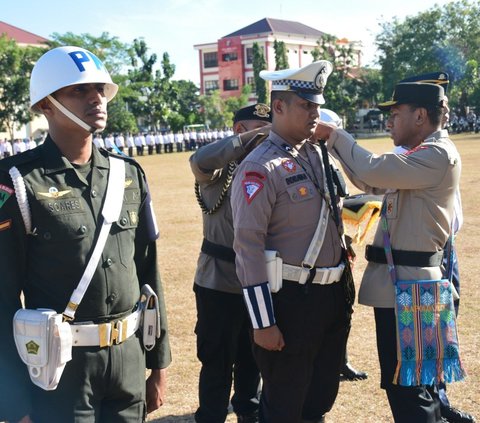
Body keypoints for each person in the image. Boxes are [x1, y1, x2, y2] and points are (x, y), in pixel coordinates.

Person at [0, 46, 171, 423]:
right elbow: (2, 297)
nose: (96, 98)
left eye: (99, 88)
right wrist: (13, 404)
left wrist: (158, 362)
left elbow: (149, 274)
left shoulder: (128, 174)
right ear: (46, 105)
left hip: (128, 361)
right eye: (78, 90)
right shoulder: (16, 182)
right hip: (58, 373)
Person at [315, 82, 462, 423]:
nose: (389, 122)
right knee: (411, 385)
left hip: (411, 289)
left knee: (408, 389)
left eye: (396, 114)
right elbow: (370, 182)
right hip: (409, 287)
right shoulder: (421, 155)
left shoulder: (436, 154)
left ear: (421, 116)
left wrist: (335, 135)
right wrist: (333, 143)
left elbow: (371, 171)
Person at [231, 61, 352, 423]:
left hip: (330, 297)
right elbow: (247, 247)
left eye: (317, 105)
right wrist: (262, 322)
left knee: (320, 399)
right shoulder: (259, 168)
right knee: (284, 407)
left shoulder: (318, 154)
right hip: (290, 303)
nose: (315, 113)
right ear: (279, 107)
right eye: (306, 105)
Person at [396, 72, 475, 423]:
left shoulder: (440, 146)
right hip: (426, 251)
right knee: (425, 334)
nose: (444, 104)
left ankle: (438, 399)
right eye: (438, 98)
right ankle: (435, 403)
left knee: (441, 327)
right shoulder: (410, 149)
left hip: (447, 247)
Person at [190, 104, 272, 423]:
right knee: (217, 362)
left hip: (258, 281)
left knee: (254, 360)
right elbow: (198, 161)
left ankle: (248, 415)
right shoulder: (217, 172)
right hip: (218, 282)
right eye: (259, 128)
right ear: (239, 131)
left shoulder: (270, 167)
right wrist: (247, 142)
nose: (268, 136)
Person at [319, 108, 368, 382]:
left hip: (338, 246)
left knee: (343, 308)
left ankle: (341, 360)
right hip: (312, 255)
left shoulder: (334, 164)